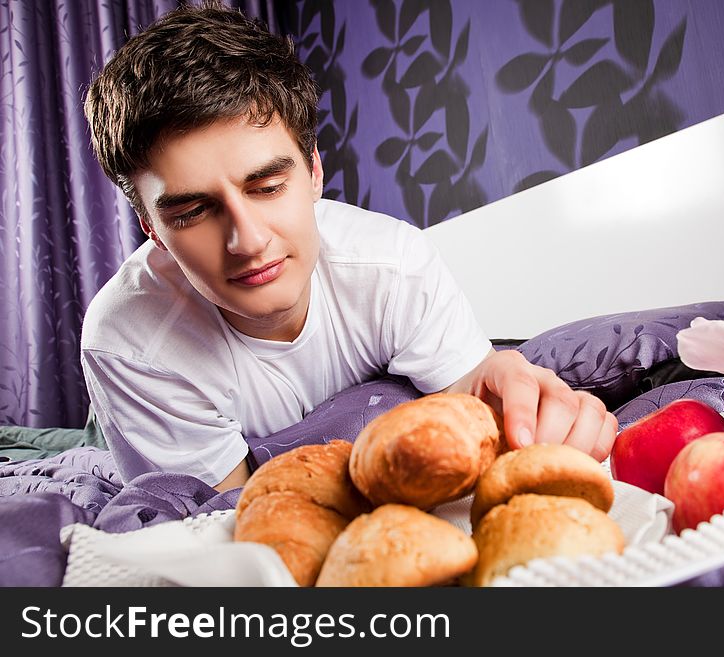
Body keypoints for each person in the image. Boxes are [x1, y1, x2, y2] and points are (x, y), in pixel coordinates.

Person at [81, 3, 617, 492]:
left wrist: (501, 386)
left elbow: (470, 399)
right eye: (193, 212)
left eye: (267, 187)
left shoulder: (393, 266)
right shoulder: (128, 343)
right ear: (150, 227)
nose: (248, 241)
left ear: (314, 171)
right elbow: (225, 528)